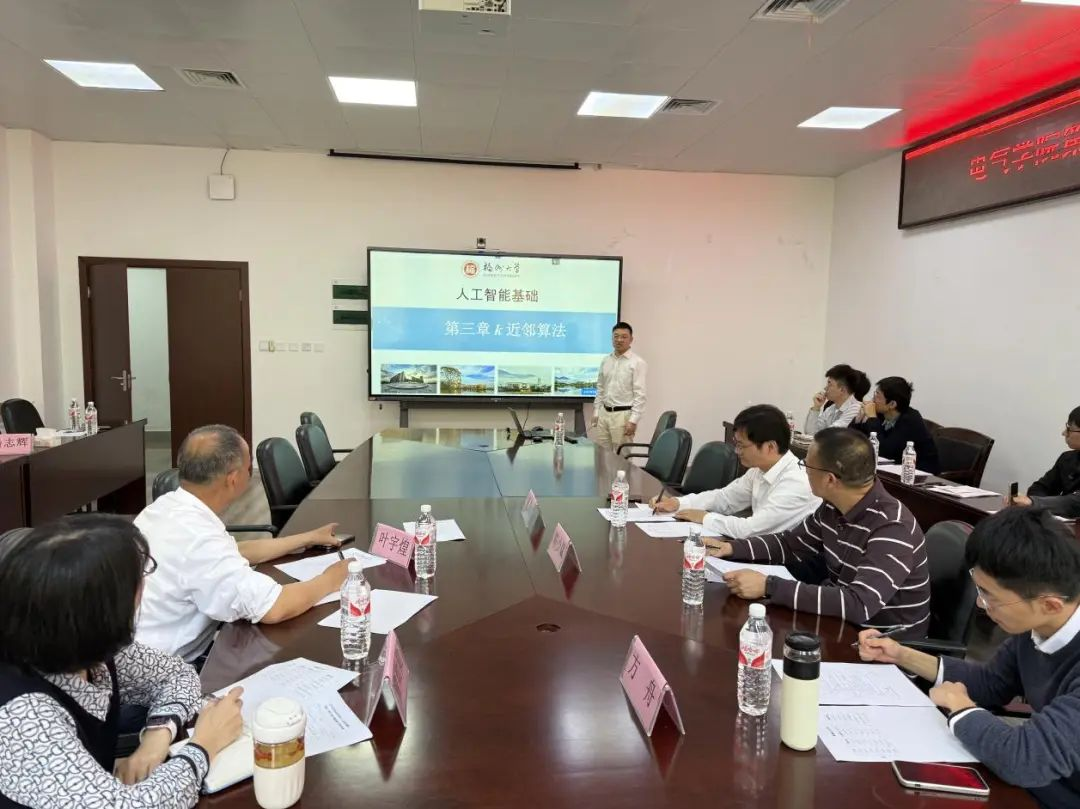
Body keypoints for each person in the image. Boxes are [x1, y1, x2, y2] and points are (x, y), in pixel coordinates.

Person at [0, 515, 244, 808]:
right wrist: (204, 745)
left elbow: (177, 675)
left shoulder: (88, 645)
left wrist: (157, 735)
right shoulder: (22, 715)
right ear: (105, 610)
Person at [859, 508, 1080, 809]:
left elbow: (1025, 760)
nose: (980, 603)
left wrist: (962, 708)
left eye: (991, 596)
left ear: (1050, 605)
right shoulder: (1037, 625)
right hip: (1036, 781)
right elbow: (991, 683)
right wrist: (901, 654)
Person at [136, 424, 351, 662]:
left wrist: (307, 538)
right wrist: (330, 580)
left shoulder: (165, 508)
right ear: (234, 479)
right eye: (249, 468)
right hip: (165, 670)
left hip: (130, 653)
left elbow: (237, 551)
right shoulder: (199, 539)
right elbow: (275, 607)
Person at [710, 427, 930, 638]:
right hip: (841, 625)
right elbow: (790, 545)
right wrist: (730, 547)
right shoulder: (833, 507)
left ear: (830, 479)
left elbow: (859, 604)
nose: (804, 470)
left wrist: (769, 586)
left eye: (807, 465)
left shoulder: (892, 527)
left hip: (884, 646)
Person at [649, 404, 820, 539]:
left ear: (770, 447)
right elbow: (725, 498)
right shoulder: (759, 470)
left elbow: (751, 529)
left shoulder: (796, 482)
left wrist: (704, 517)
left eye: (741, 445)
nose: (737, 451)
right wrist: (678, 503)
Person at [852, 376, 940, 473]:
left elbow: (884, 451)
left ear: (892, 404)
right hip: (892, 468)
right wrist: (858, 419)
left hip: (918, 473)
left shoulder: (910, 420)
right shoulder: (881, 414)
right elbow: (852, 439)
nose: (873, 400)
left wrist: (872, 418)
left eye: (877, 396)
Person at [1010, 407, 1080, 519]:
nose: (1063, 433)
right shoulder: (1067, 458)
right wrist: (1034, 503)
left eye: (1069, 429)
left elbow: (1075, 503)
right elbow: (1039, 488)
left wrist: (1034, 503)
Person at [591, 322, 647, 450]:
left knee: (622, 456)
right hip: (604, 414)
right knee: (601, 455)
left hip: (623, 416)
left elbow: (640, 395)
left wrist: (633, 420)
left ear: (631, 339)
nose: (619, 340)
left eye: (624, 337)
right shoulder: (606, 360)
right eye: (616, 336)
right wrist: (596, 411)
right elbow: (600, 388)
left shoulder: (637, 363)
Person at [803, 363, 868, 434]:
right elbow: (809, 433)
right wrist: (816, 407)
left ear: (842, 389)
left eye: (829, 384)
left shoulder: (856, 409)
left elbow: (833, 434)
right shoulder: (831, 409)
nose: (825, 388)